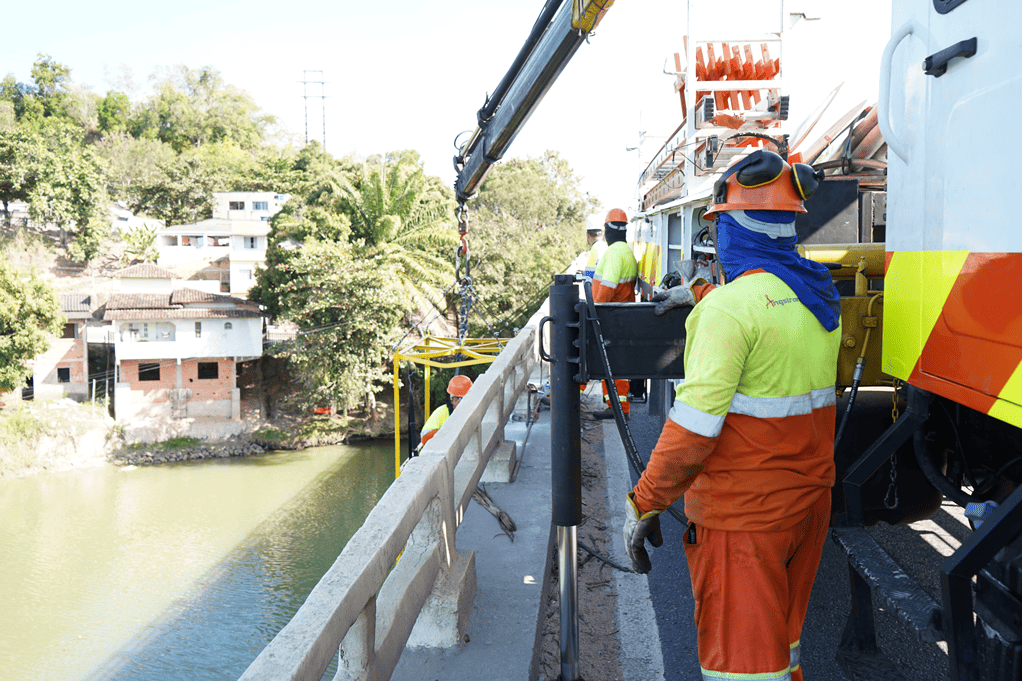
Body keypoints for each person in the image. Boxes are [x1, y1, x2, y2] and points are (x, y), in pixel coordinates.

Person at [623, 149, 838, 681]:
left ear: (732, 229)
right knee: (781, 651)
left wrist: (645, 502)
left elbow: (692, 432)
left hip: (745, 521)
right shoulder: (817, 294)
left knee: (739, 669)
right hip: (806, 507)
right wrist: (702, 294)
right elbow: (769, 310)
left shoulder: (728, 311)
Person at [591, 207, 637, 420]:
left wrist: (595, 311)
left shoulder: (614, 253)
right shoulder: (626, 251)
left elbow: (607, 287)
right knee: (613, 363)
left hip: (608, 316)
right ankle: (617, 407)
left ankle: (566, 395)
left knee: (591, 356)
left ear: (607, 230)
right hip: (621, 316)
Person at [418, 374, 472, 448]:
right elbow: (425, 439)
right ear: (456, 400)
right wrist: (447, 432)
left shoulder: (465, 411)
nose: (469, 402)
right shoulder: (442, 412)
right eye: (466, 399)